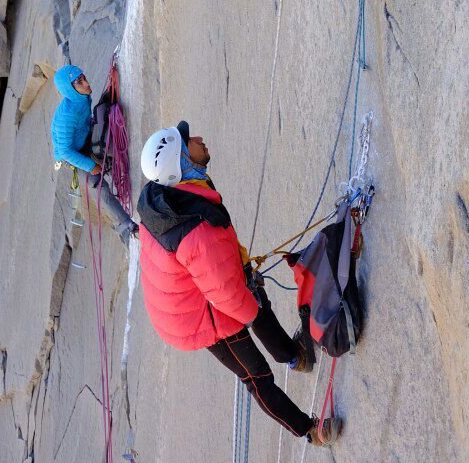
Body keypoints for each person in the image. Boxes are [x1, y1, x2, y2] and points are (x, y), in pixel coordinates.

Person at [137, 121, 341, 447]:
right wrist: (249, 304)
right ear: (180, 163)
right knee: (256, 374)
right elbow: (227, 295)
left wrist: (244, 277)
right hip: (196, 318)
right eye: (188, 142)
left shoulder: (167, 194)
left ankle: (296, 357)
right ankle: (309, 431)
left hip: (192, 291)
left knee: (256, 300)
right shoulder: (195, 229)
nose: (198, 138)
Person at [51, 64, 137, 245]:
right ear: (70, 88)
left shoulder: (81, 97)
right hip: (72, 154)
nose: (86, 83)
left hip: (83, 137)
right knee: (96, 185)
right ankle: (126, 226)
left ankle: (114, 169)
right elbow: (65, 151)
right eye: (79, 82)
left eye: (83, 77)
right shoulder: (67, 115)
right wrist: (90, 166)